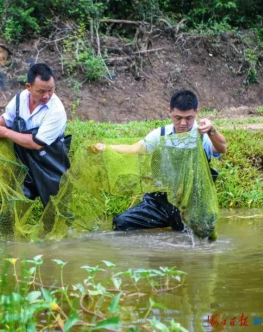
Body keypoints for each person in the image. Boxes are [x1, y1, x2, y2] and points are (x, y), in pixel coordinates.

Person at [93, 90, 227, 232]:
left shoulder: (202, 135)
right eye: (178, 118)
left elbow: (221, 148)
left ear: (196, 113)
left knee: (199, 236)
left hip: (192, 204)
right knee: (122, 223)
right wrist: (106, 148)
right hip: (161, 202)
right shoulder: (161, 134)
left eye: (189, 118)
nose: (183, 123)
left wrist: (211, 130)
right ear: (169, 112)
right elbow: (135, 148)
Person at [0, 63, 71, 206]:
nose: (47, 95)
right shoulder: (20, 99)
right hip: (24, 164)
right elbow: (7, 120)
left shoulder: (56, 111)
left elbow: (36, 143)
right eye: (41, 91)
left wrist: (6, 133)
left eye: (51, 90)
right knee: (14, 202)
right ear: (28, 87)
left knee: (56, 209)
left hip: (50, 166)